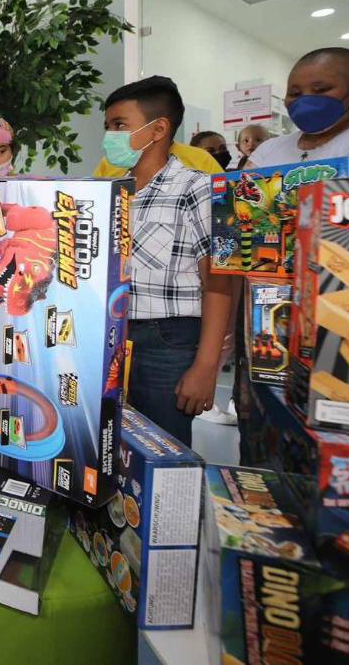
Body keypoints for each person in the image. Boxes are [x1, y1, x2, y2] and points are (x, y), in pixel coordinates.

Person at [101, 77, 234, 445]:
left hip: (168, 341)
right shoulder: (115, 192)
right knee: (114, 448)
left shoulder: (199, 188)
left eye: (119, 126)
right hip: (114, 338)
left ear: (158, 129)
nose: (109, 136)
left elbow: (221, 281)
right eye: (108, 127)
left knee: (161, 448)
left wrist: (207, 366)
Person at [248, 47, 349, 176]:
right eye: (294, 94)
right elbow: (240, 196)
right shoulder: (268, 148)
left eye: (321, 90)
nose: (305, 100)